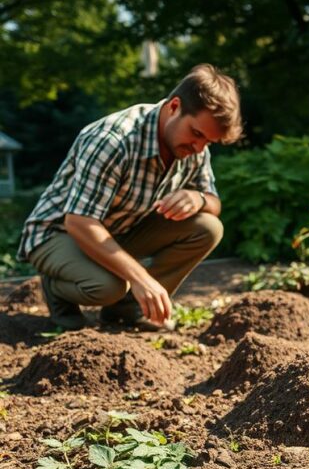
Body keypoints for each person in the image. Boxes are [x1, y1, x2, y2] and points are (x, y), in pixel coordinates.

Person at [17, 64, 241, 331]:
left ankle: (124, 310)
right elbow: (79, 221)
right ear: (174, 107)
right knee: (108, 286)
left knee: (207, 228)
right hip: (57, 233)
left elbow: (213, 203)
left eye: (209, 142)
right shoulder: (113, 140)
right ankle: (56, 288)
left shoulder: (195, 148)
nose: (199, 148)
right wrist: (140, 278)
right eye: (196, 134)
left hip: (116, 231)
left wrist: (198, 199)